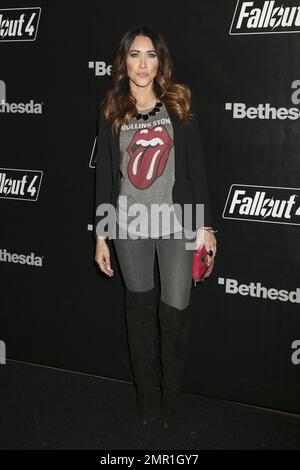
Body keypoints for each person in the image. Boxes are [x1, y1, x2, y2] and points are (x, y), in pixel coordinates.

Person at [94, 25, 217, 428]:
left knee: (176, 312)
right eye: (135, 55)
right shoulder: (112, 108)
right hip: (128, 225)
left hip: (177, 224)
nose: (143, 64)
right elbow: (106, 180)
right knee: (140, 314)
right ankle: (147, 400)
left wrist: (206, 227)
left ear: (160, 61)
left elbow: (196, 169)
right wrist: (101, 235)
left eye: (150, 55)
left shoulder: (179, 104)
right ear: (124, 61)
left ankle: (172, 400)